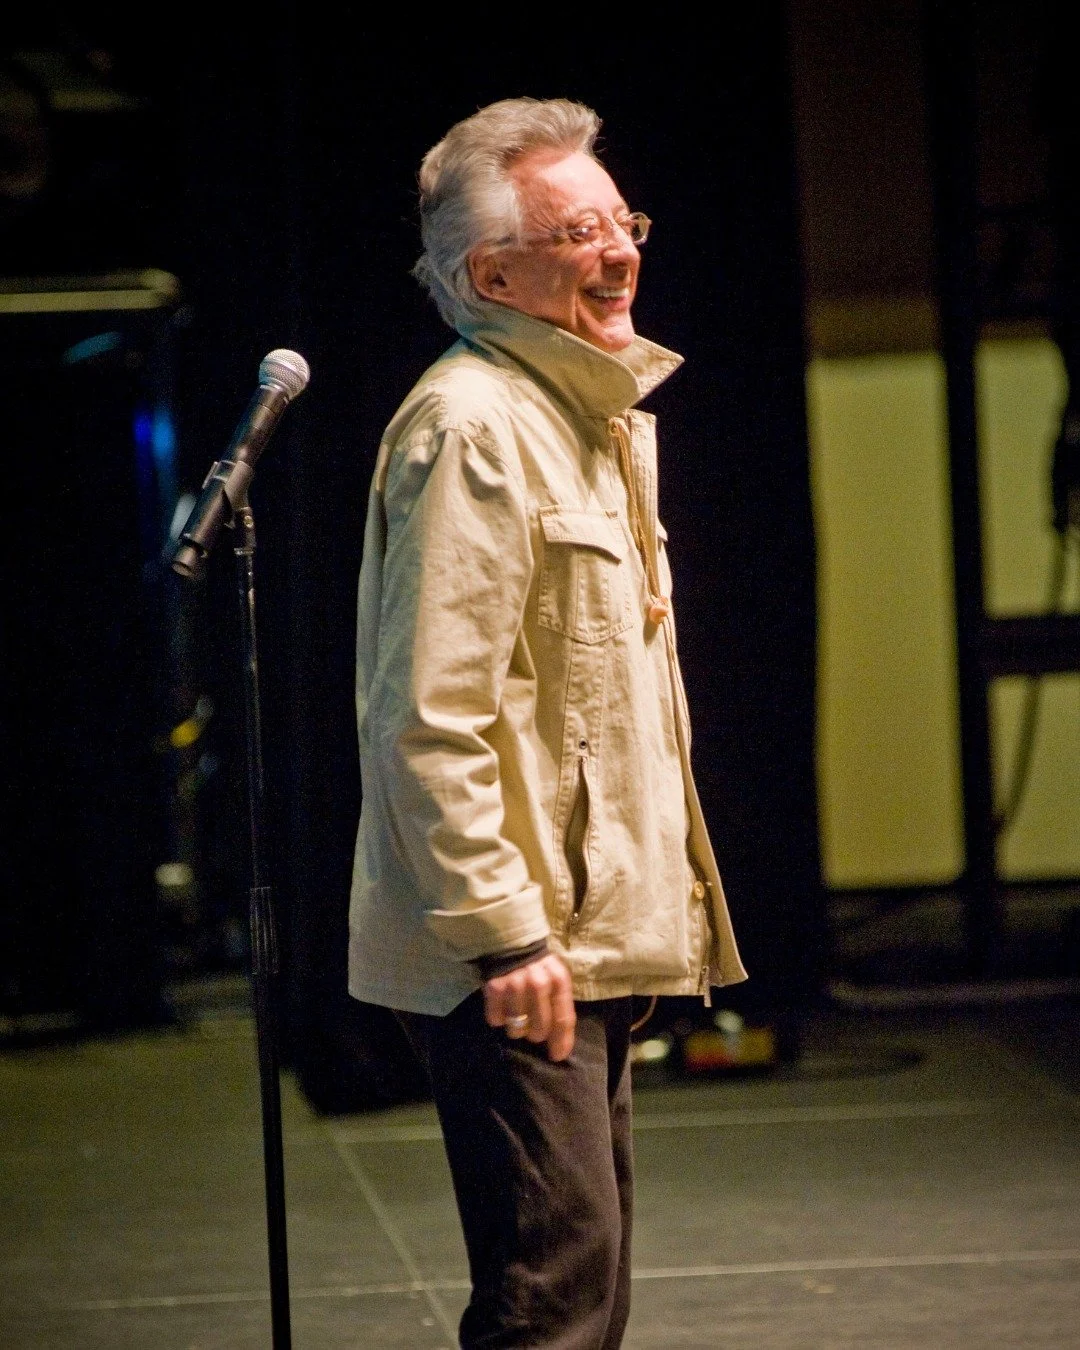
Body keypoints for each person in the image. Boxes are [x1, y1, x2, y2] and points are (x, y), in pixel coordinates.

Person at [348, 96, 746, 1349]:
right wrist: (506, 933)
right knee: (551, 1305)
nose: (619, 251)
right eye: (580, 232)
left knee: (584, 1285)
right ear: (493, 275)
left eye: (623, 222)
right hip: (516, 952)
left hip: (573, 942)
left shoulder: (576, 416)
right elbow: (429, 717)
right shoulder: (474, 428)